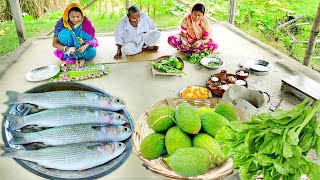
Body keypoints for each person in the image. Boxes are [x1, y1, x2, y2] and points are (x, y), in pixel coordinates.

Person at [52, 3, 98, 67]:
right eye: (73, 17)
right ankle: (71, 56)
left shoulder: (86, 22)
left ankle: (74, 56)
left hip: (81, 47)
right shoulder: (61, 23)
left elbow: (91, 39)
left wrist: (84, 47)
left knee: (92, 52)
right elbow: (54, 43)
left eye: (78, 17)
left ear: (82, 16)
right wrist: (67, 49)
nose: (76, 19)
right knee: (64, 33)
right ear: (68, 16)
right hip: (67, 49)